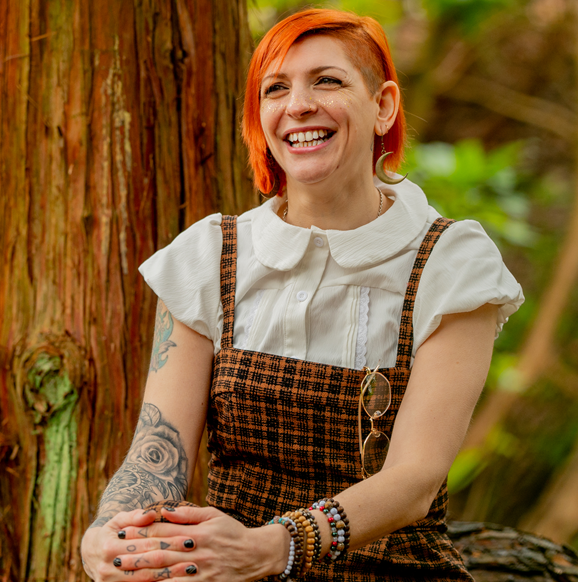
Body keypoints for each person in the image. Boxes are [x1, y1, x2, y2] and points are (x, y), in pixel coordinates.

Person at [80, 8, 524, 581]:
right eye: (276, 88)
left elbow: (414, 479)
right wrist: (110, 533)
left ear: (384, 106)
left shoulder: (451, 262)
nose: (298, 105)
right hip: (221, 569)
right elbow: (157, 453)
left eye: (327, 81)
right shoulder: (211, 255)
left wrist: (271, 548)